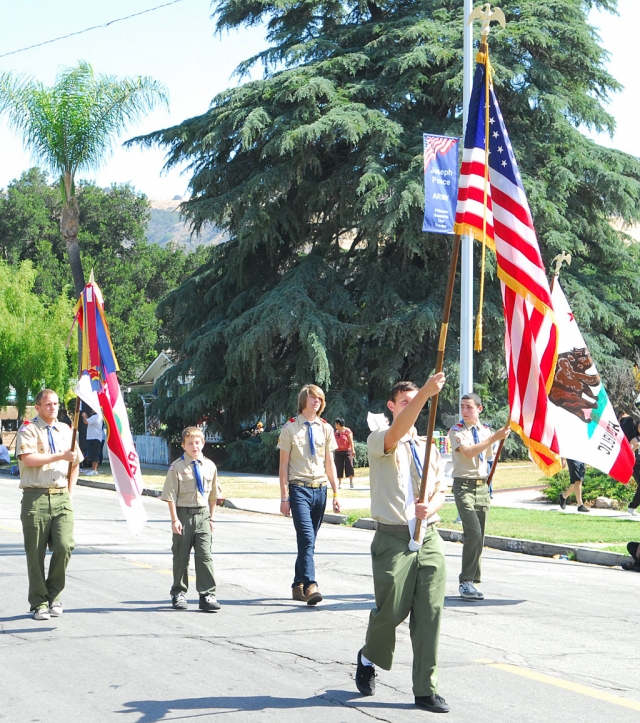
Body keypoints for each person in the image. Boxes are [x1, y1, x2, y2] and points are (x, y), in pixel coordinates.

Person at [355, 374, 449, 714]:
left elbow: (440, 488)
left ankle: (426, 688)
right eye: (405, 402)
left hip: (429, 536)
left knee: (430, 613)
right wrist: (424, 393)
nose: (413, 406)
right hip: (393, 538)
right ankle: (368, 657)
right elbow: (398, 432)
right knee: (391, 612)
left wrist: (432, 507)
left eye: (416, 401)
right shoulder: (380, 438)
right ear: (392, 406)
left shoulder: (428, 447)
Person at [15, 389, 83, 620]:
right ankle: (39, 603)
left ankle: (54, 595)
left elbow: (75, 463)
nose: (53, 407)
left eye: (55, 404)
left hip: (61, 495)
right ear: (38, 407)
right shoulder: (28, 429)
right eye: (48, 404)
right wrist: (60, 457)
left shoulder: (66, 430)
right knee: (35, 554)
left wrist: (70, 492)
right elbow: (28, 459)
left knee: (65, 546)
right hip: (36, 497)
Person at [278, 384, 341, 605]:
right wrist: (284, 496)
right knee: (306, 538)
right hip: (299, 489)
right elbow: (283, 466)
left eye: (320, 399)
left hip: (320, 489)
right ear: (303, 400)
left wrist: (336, 493)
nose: (317, 401)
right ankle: (311, 584)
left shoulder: (325, 428)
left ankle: (298, 585)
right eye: (313, 398)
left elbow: (330, 463)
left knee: (309, 541)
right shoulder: (290, 428)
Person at [449, 393, 510, 601]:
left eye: (469, 407)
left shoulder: (486, 431)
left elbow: (488, 458)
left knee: (479, 536)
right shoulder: (456, 431)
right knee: (473, 531)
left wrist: (496, 439)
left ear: (479, 409)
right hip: (463, 486)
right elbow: (468, 452)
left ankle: (473, 581)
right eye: (462, 407)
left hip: (482, 486)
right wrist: (494, 438)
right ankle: (465, 581)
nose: (465, 411)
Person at [161, 426, 221, 612]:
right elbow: (170, 496)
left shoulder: (210, 466)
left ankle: (207, 595)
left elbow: (213, 495)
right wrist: (174, 520)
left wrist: (212, 518)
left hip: (203, 515)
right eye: (190, 443)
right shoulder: (177, 467)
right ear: (183, 445)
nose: (194, 446)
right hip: (183, 515)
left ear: (203, 443)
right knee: (181, 556)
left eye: (197, 442)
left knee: (205, 556)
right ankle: (178, 592)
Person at [618, 409, 640, 516]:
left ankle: (632, 506)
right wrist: (635, 448)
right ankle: (632, 507)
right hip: (636, 465)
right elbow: (629, 453)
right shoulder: (634, 440)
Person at [334, 417, 356, 488]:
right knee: (338, 466)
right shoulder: (336, 433)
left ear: (338, 424)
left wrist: (353, 450)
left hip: (347, 451)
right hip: (338, 452)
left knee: (349, 465)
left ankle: (351, 482)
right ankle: (339, 483)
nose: (335, 425)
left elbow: (351, 441)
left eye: (336, 424)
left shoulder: (347, 431)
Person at [82, 407, 103, 476]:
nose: (92, 409)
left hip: (94, 438)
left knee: (94, 454)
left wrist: (84, 416)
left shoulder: (96, 416)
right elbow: (89, 421)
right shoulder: (95, 417)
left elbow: (86, 422)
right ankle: (93, 469)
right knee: (92, 454)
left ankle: (94, 470)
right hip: (93, 437)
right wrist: (87, 417)